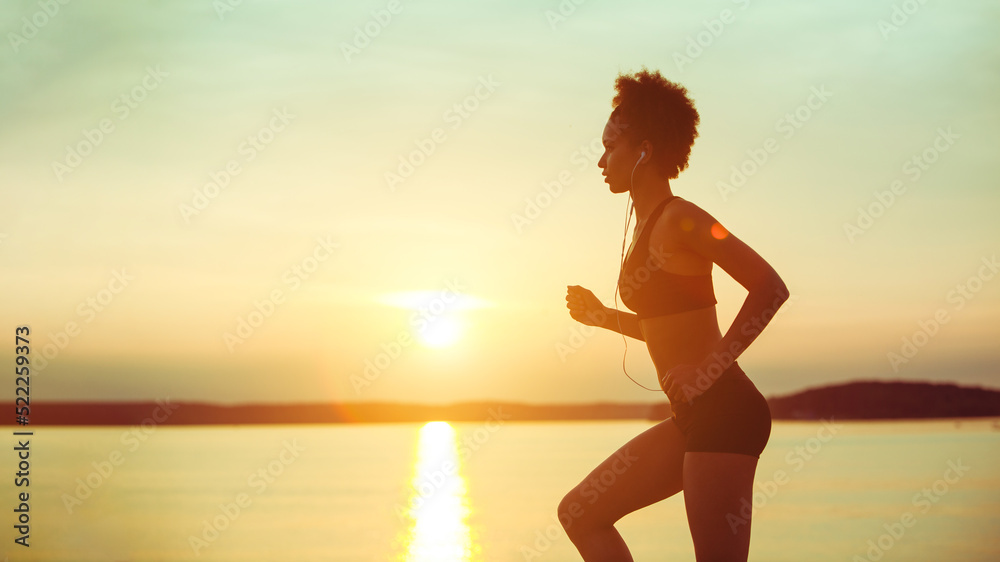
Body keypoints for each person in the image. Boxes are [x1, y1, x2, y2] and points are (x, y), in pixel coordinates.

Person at [560, 68, 789, 561]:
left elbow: (770, 287)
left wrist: (711, 368)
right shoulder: (646, 226)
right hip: (693, 416)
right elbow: (666, 330)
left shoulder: (682, 218)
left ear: (643, 149)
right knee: (581, 512)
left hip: (727, 412)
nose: (600, 161)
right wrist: (604, 317)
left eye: (610, 147)